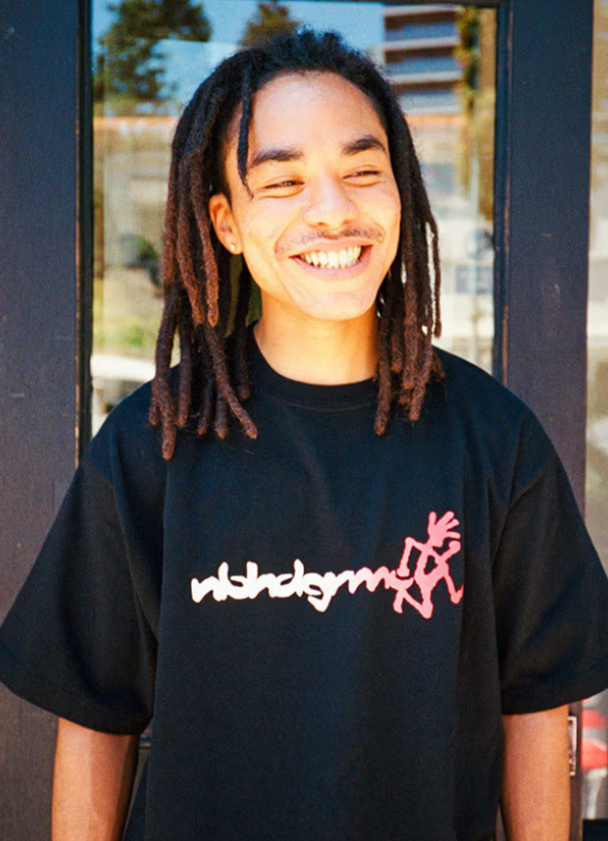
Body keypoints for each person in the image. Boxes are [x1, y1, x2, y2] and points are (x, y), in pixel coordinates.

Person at [1, 28, 608, 841]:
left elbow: (537, 707)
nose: (332, 209)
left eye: (363, 171)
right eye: (282, 181)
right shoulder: (152, 444)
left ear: (401, 191)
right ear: (224, 221)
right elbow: (94, 720)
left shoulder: (496, 440)